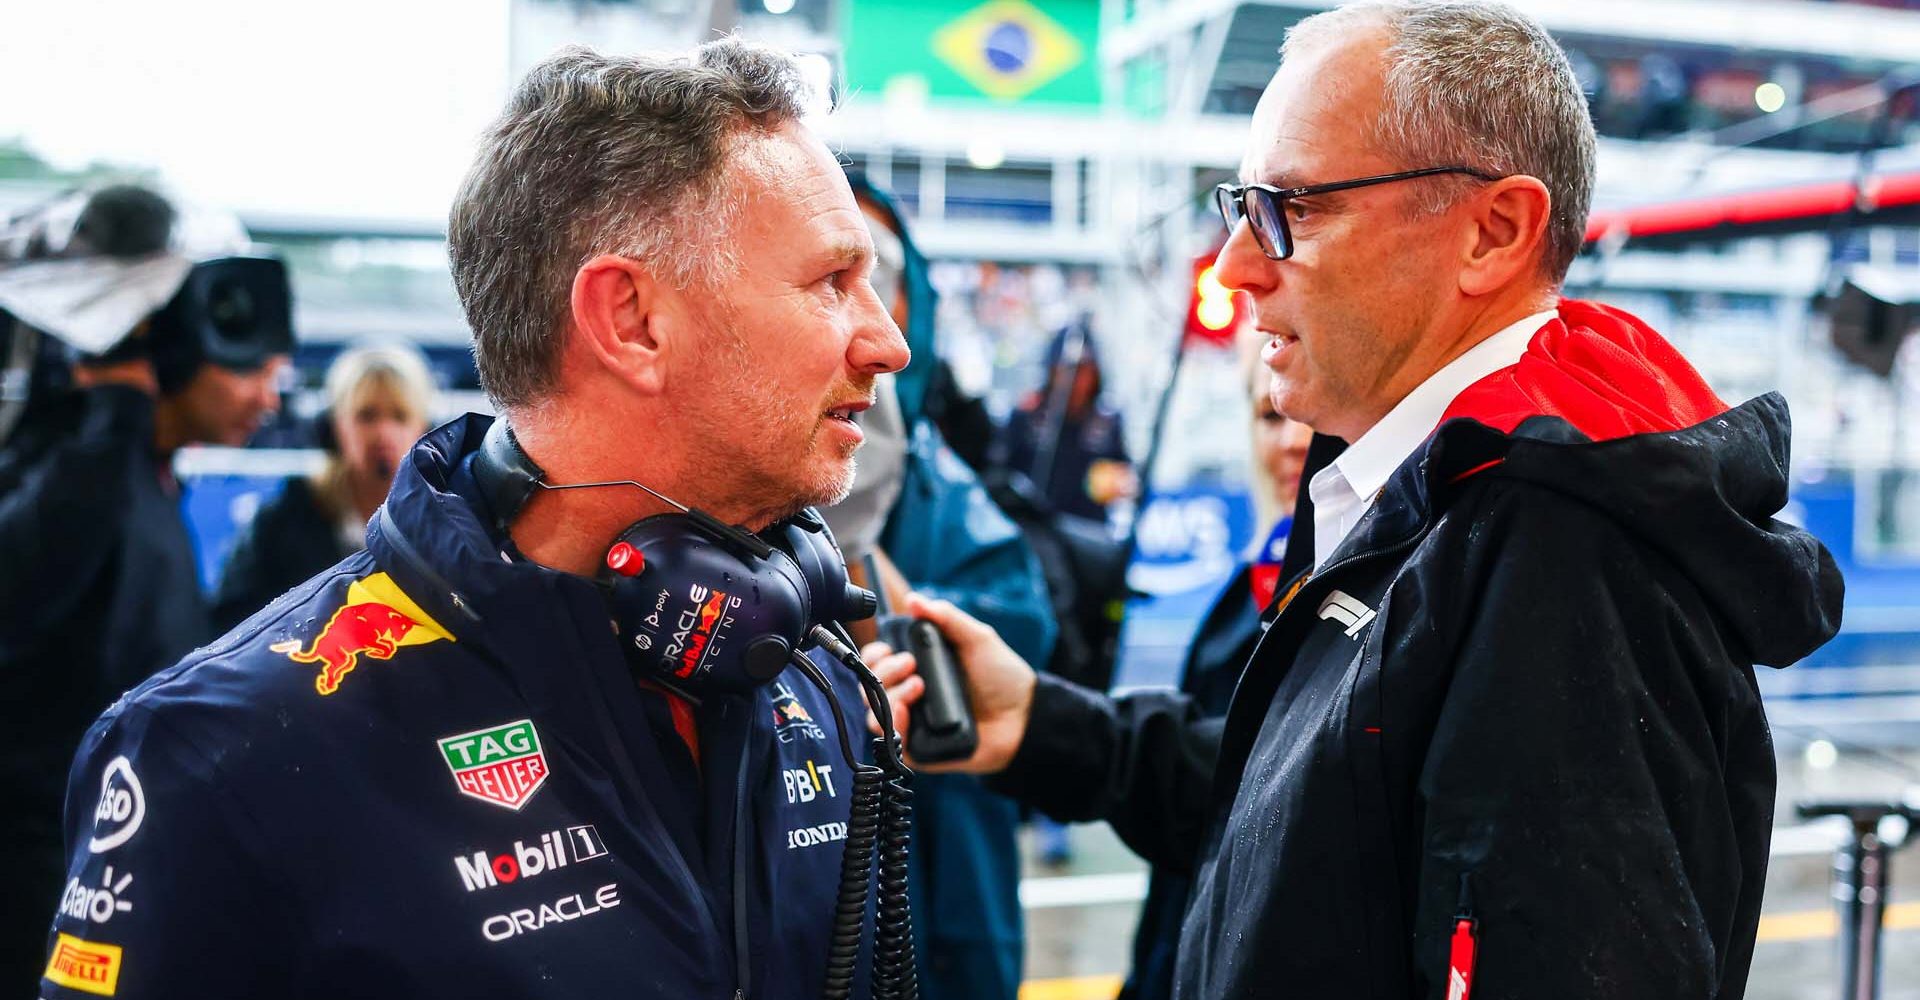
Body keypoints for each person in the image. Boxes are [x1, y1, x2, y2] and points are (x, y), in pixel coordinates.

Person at [874, 3, 1845, 997]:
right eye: (1242, 208)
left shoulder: (1558, 561)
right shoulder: (1445, 501)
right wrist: (1042, 722)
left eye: (1293, 207)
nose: (1236, 268)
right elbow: (1319, 817)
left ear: (1493, 232)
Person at [38, 40, 907, 999]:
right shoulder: (212, 756)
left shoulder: (813, 677)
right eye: (832, 282)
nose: (887, 342)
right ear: (630, 321)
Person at [0, 185, 288, 996]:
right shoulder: (77, 469)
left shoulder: (145, 478)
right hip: (38, 891)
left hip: (114, 868)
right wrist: (120, 398)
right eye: (245, 365)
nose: (267, 396)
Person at [825, 173, 1056, 1000]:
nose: (865, 315)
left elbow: (1007, 663)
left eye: (881, 275)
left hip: (950, 886)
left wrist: (854, 553)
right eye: (827, 279)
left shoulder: (950, 492)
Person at [1121, 332, 1312, 1000]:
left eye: (1307, 413)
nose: (1289, 441)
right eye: (1268, 415)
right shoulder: (1251, 588)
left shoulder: (1375, 606)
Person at [211, 344, 436, 630]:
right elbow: (229, 625)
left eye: (399, 416)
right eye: (366, 415)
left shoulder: (444, 527)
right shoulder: (282, 521)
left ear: (425, 429)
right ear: (332, 427)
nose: (383, 433)